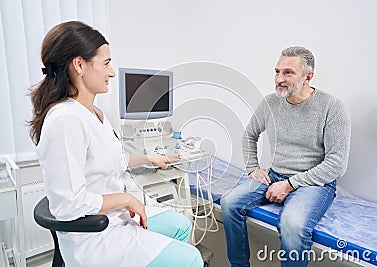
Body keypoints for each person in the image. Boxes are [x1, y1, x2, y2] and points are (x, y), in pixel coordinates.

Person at [29, 21, 203, 267]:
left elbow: (115, 159)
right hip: (94, 239)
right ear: (79, 64)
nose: (111, 73)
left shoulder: (94, 114)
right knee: (192, 259)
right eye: (106, 63)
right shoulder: (65, 120)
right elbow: (68, 205)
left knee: (181, 224)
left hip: (115, 219)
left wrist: (149, 159)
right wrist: (125, 198)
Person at [221, 46, 351, 267]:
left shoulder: (331, 106)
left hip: (315, 184)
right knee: (229, 202)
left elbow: (337, 164)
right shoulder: (270, 103)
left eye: (288, 72)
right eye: (277, 71)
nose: (279, 79)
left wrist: (290, 184)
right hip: (274, 175)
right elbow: (249, 135)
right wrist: (253, 168)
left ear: (308, 76)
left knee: (292, 223)